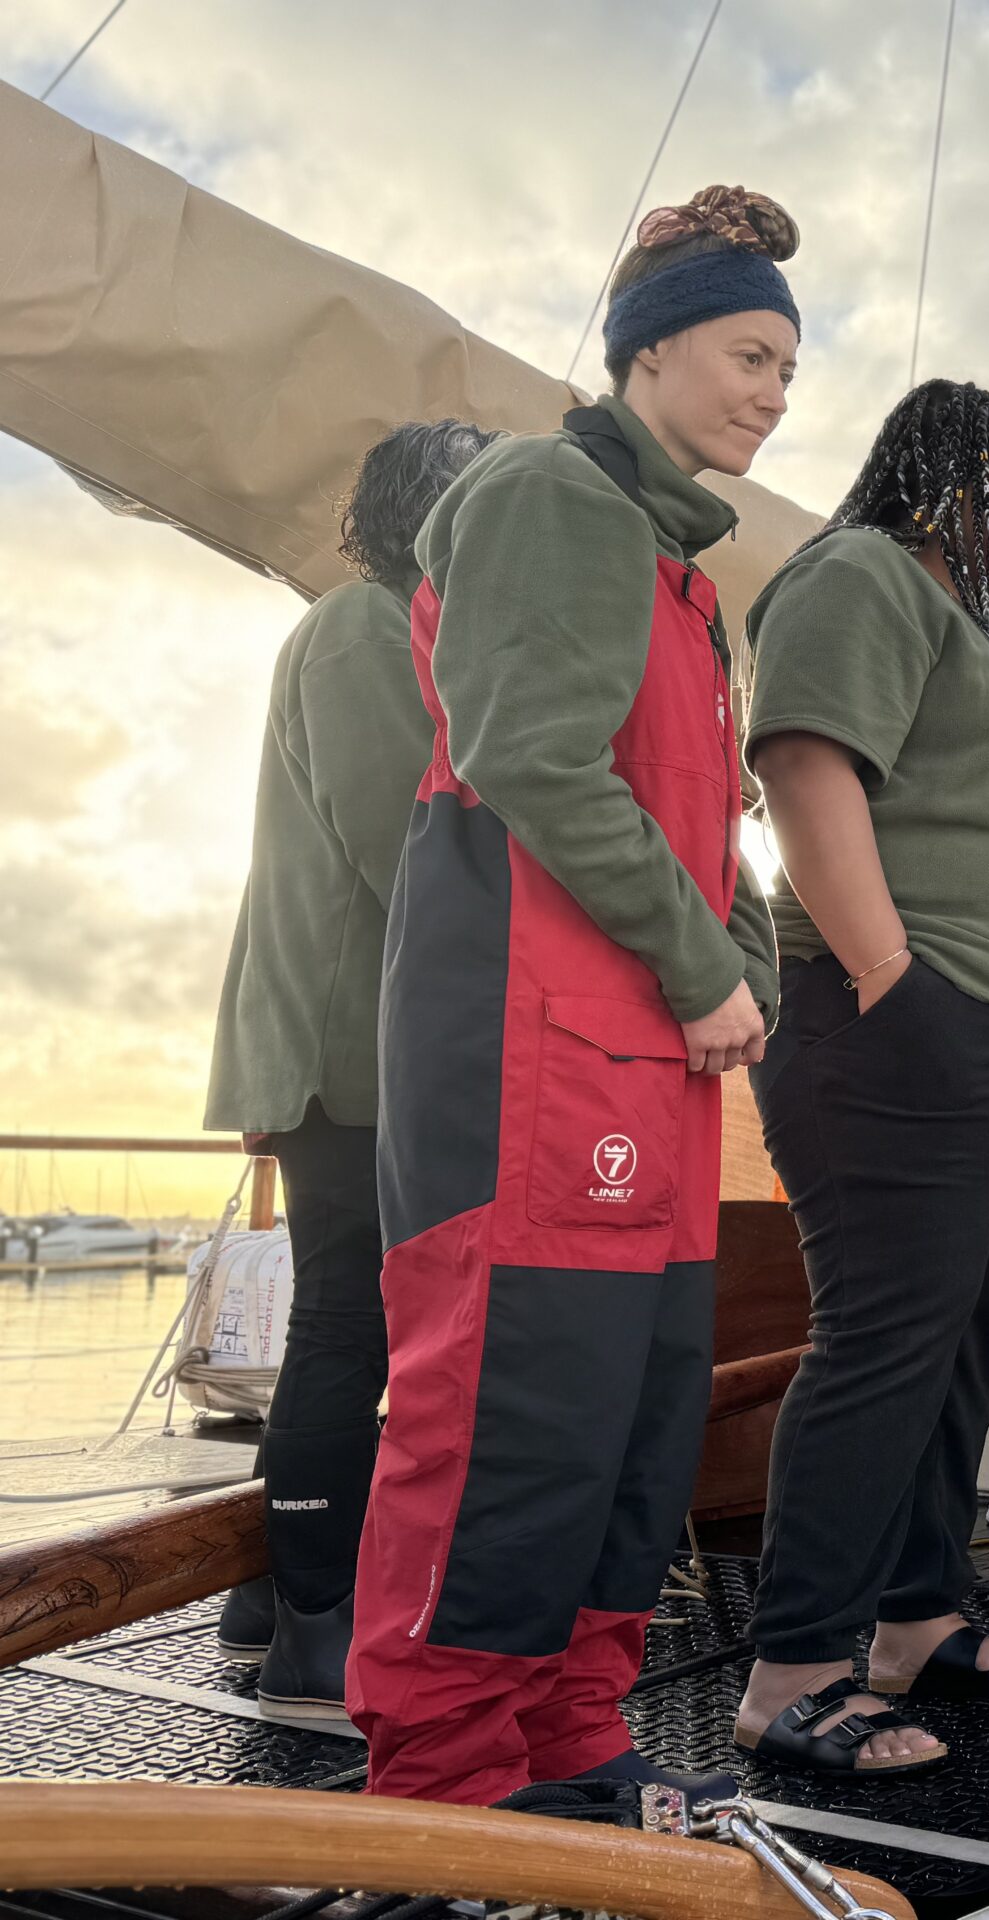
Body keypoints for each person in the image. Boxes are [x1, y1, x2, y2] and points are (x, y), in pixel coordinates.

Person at [349, 185, 792, 1805]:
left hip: (644, 1061)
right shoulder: (554, 501)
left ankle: (568, 1735)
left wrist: (746, 974)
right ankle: (450, 1782)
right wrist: (704, 971)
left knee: (633, 1409)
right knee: (514, 1411)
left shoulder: (685, 580)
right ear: (650, 350)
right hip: (536, 1041)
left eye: (787, 370)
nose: (771, 392)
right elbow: (527, 755)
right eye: (748, 353)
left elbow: (695, 820)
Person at [732, 379, 989, 1776]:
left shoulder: (987, 635)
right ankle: (797, 1665)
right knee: (887, 1329)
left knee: (965, 1331)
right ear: (941, 469)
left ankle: (917, 1617)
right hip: (894, 1010)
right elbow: (806, 767)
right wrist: (895, 978)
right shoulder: (862, 572)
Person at [206, 418, 500, 1718]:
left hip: (374, 1034)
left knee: (359, 1315)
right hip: (356, 1040)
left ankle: (275, 1591)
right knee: (352, 1319)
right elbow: (412, 844)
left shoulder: (402, 631)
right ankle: (318, 1627)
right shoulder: (369, 628)